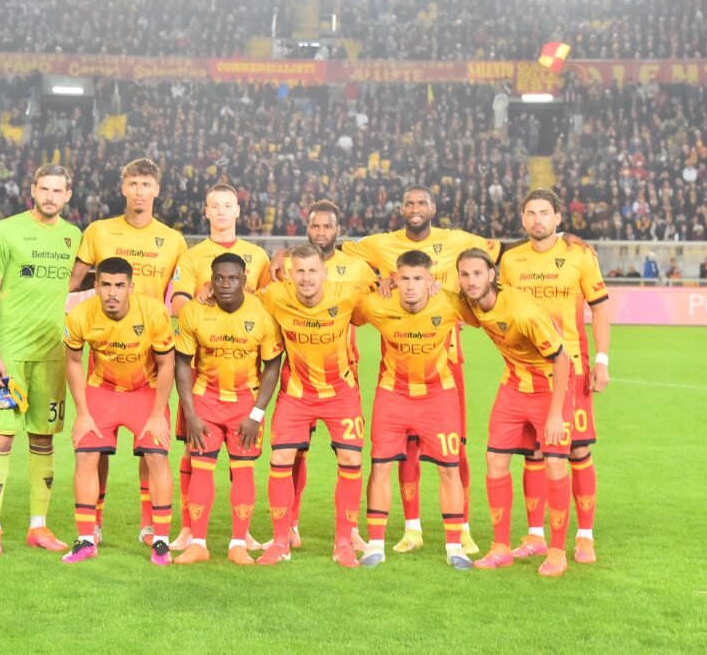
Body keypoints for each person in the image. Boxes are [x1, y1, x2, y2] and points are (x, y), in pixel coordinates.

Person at [270, 184, 502, 556]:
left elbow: (498, 256)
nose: (415, 208)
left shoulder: (455, 241)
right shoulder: (376, 247)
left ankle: (462, 531)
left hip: (440, 366)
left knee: (453, 451)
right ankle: (402, 529)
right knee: (304, 453)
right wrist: (283, 253)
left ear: (433, 207)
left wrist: (559, 238)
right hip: (360, 372)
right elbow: (331, 261)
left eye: (422, 202)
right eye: (409, 203)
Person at [68, 157, 187, 546]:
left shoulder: (173, 240)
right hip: (106, 348)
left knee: (150, 445)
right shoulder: (99, 231)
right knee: (96, 446)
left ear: (157, 190)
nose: (139, 191)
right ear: (123, 187)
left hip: (152, 350)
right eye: (133, 183)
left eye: (146, 184)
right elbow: (72, 281)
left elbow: (183, 290)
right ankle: (94, 524)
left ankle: (150, 524)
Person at [498, 188, 609, 565]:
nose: (537, 219)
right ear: (522, 218)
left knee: (577, 450)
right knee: (533, 452)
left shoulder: (580, 255)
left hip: (572, 368)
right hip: (527, 371)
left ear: (558, 218)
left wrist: (602, 361)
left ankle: (584, 537)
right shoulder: (511, 261)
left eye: (544, 212)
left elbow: (600, 308)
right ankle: (535, 535)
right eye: (530, 213)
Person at [0, 163, 81, 556]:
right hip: (9, 355)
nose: (50, 197)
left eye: (58, 191)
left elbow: (73, 281)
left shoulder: (73, 236)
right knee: (0, 437)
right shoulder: (5, 230)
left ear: (68, 195)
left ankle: (38, 526)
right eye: (44, 189)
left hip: (52, 353)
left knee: (43, 438)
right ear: (33, 190)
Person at [263, 200, 375, 552]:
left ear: (326, 273)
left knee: (351, 459)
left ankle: (346, 538)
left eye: (313, 272)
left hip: (342, 386)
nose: (306, 278)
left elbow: (388, 299)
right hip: (296, 389)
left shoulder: (351, 286)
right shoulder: (277, 290)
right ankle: (283, 537)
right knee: (287, 457)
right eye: (300, 272)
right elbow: (244, 301)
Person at [352, 250, 474, 570]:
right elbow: (346, 315)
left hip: (438, 397)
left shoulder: (449, 303)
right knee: (380, 467)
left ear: (430, 280)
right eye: (404, 278)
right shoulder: (377, 304)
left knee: (449, 470)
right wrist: (375, 285)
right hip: (392, 396)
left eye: (418, 279)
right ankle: (375, 546)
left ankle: (455, 547)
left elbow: (486, 309)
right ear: (395, 279)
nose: (410, 286)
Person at [456, 248, 575, 577]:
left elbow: (562, 359)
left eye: (478, 273)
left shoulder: (522, 311)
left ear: (492, 275)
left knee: (554, 463)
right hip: (513, 386)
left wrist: (555, 414)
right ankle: (501, 549)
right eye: (465, 275)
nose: (471, 281)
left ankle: (557, 552)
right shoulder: (468, 300)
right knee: (495, 460)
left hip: (549, 387)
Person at [169, 183, 271, 552]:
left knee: (241, 452)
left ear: (238, 210)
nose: (223, 211)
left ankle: (242, 532)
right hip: (202, 367)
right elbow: (178, 303)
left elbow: (268, 302)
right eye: (216, 205)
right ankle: (188, 528)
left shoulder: (257, 256)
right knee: (194, 450)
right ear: (207, 210)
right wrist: (199, 306)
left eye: (229, 205)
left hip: (245, 369)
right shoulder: (193, 256)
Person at [62, 257, 176, 566]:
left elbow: (167, 364)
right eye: (106, 285)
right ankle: (86, 539)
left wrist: (157, 415)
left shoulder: (154, 313)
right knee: (86, 453)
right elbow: (72, 361)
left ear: (131, 287)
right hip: (103, 390)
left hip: (145, 391)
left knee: (157, 455)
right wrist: (82, 412)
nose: (112, 293)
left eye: (119, 286)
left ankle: (161, 541)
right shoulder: (80, 315)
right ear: (96, 286)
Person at [172, 254, 284, 566]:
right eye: (219, 278)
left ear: (244, 280)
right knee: (201, 468)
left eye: (232, 278)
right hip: (205, 401)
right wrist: (191, 414)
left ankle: (238, 544)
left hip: (246, 405)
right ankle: (198, 544)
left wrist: (256, 415)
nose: (225, 284)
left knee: (243, 470)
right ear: (211, 280)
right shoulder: (194, 312)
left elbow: (272, 367)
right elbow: (182, 365)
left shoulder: (262, 314)